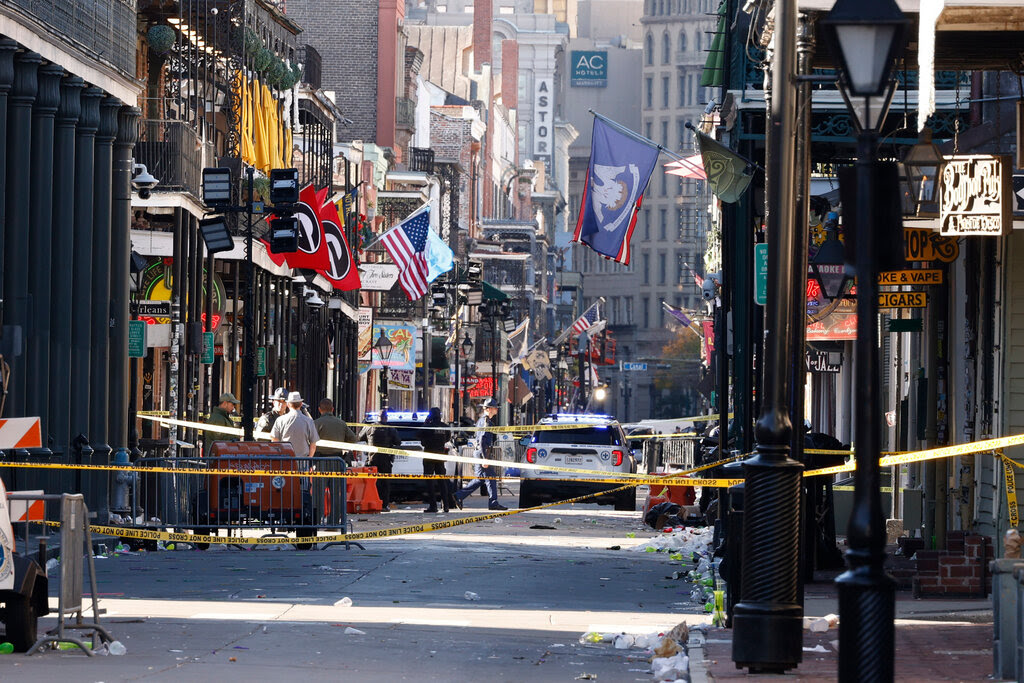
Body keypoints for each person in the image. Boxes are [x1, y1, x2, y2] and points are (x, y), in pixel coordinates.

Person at [453, 398, 507, 510]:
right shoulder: (485, 421)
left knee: (480, 479)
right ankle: (493, 502)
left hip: (480, 452)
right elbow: (482, 440)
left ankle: (459, 496)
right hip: (483, 452)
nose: (497, 409)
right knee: (491, 477)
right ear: (489, 409)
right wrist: (485, 458)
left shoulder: (484, 420)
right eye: (495, 407)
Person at [419, 407, 452, 513]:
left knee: (430, 482)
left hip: (429, 456)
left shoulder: (427, 427)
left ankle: (433, 506)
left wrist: (425, 423)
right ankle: (445, 505)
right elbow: (447, 439)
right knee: (442, 481)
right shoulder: (445, 427)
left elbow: (422, 442)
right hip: (440, 456)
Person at [369, 410, 401, 512]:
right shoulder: (391, 429)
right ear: (386, 418)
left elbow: (360, 437)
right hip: (385, 459)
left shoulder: (369, 427)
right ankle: (384, 505)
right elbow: (398, 442)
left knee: (373, 483)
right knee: (385, 483)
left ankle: (373, 504)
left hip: (372, 459)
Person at [271, 391, 319, 459]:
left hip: (285, 460)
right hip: (303, 461)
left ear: (288, 404)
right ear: (301, 404)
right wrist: (309, 458)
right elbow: (313, 444)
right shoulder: (309, 421)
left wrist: (279, 456)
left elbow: (274, 440)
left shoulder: (280, 420)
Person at [314, 398, 358, 465]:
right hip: (337, 461)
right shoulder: (341, 423)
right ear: (332, 409)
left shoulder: (316, 423)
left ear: (319, 409)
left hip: (320, 461)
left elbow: (309, 440)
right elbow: (353, 439)